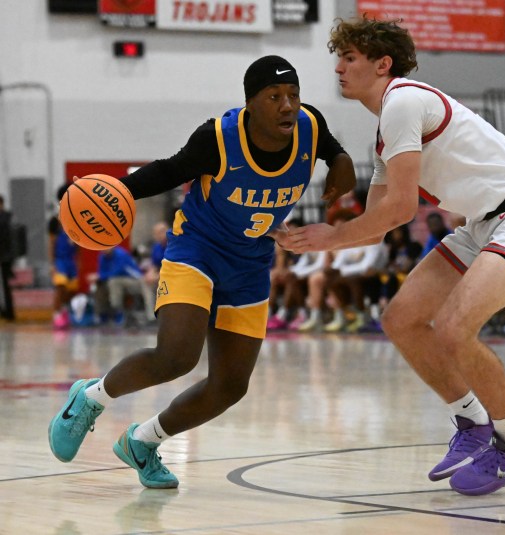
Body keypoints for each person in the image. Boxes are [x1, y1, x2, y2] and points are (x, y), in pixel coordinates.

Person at [280, 17, 505, 496]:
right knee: (401, 318)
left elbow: (401, 207)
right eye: (339, 57)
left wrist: (332, 237)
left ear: (382, 64)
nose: (338, 68)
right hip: (481, 225)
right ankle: (473, 423)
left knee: (455, 327)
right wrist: (316, 237)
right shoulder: (385, 134)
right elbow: (377, 225)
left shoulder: (404, 100)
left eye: (350, 58)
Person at [48, 55, 355, 489]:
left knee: (231, 385)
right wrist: (118, 190)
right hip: (198, 249)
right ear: (250, 105)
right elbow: (170, 170)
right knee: (177, 356)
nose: (287, 106)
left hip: (250, 263)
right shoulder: (218, 138)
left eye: (293, 95)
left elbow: (328, 146)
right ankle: (90, 398)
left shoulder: (309, 124)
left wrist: (341, 158)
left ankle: (143, 441)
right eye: (274, 97)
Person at [90, 245, 155, 326]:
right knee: (99, 286)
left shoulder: (120, 254)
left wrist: (99, 276)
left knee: (113, 282)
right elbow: (102, 272)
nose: (104, 249)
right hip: (119, 282)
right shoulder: (102, 256)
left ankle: (118, 311)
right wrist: (98, 277)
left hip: (135, 280)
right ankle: (101, 315)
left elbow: (117, 271)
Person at [48, 185, 79, 329]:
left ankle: (65, 313)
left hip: (71, 260)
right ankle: (56, 315)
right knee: (60, 287)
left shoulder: (77, 218)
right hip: (60, 260)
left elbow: (79, 243)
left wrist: (79, 262)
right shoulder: (54, 221)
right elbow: (51, 244)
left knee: (70, 291)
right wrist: (52, 264)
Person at [0, 195, 15, 321]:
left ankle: (7, 312)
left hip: (4, 256)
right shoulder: (8, 218)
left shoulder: (4, 218)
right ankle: (7, 311)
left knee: (4, 286)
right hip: (7, 256)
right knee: (5, 286)